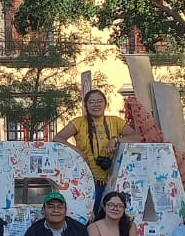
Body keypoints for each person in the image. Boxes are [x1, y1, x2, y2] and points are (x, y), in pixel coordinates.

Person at [55, 89, 139, 221]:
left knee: (111, 219)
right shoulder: (79, 122)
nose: (96, 105)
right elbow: (58, 138)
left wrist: (117, 139)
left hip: (113, 181)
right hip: (87, 180)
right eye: (91, 102)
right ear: (86, 105)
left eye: (99, 101)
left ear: (105, 104)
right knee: (89, 218)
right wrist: (76, 151)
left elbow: (137, 137)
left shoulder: (115, 121)